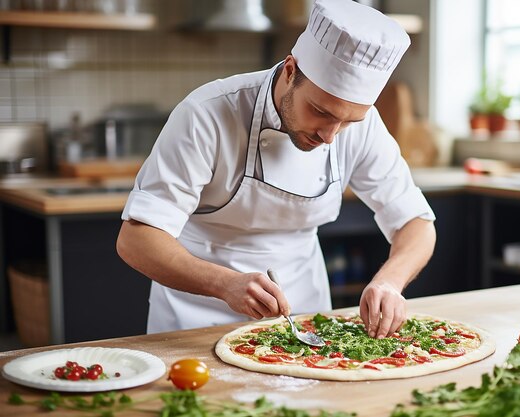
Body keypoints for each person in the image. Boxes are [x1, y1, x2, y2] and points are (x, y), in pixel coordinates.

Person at [116, 0, 436, 339]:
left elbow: (415, 222)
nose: (330, 135)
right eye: (320, 111)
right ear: (290, 70)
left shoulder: (363, 125)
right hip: (195, 319)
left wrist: (390, 281)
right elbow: (136, 240)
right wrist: (225, 284)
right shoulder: (206, 114)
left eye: (347, 121)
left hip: (306, 320)